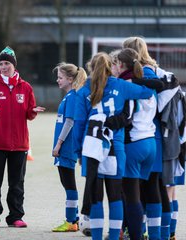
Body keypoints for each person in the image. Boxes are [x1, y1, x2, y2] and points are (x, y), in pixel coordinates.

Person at [73, 52, 154, 240]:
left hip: (92, 146)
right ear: (111, 67)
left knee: (95, 195)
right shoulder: (121, 85)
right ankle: (115, 235)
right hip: (115, 147)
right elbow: (147, 92)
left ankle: (97, 237)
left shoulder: (84, 90)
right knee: (116, 196)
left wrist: (78, 151)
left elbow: (78, 125)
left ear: (91, 68)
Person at [0, 46, 45, 228]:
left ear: (14, 65)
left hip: (19, 145)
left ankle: (15, 216)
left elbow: (29, 113)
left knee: (17, 183)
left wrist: (32, 111)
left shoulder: (26, 87)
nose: (3, 66)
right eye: (0, 63)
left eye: (6, 63)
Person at [123, 36, 172, 240]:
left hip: (147, 135)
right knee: (153, 186)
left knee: (149, 187)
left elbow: (155, 89)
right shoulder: (152, 69)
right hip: (153, 135)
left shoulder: (144, 72)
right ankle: (158, 233)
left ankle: (147, 232)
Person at [51, 63, 87, 232]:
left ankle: (72, 220)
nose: (57, 80)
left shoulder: (73, 96)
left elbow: (70, 122)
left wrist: (58, 144)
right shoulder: (68, 96)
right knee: (66, 183)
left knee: (69, 183)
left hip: (66, 147)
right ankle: (74, 219)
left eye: (60, 77)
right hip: (64, 147)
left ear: (70, 79)